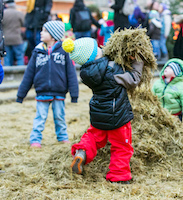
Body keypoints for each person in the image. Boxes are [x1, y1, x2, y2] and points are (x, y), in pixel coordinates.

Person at [62, 29, 150, 183]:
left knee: (94, 137)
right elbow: (134, 79)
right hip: (118, 116)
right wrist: (138, 60)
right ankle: (119, 176)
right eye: (98, 48)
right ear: (96, 54)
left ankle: (81, 152)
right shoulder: (113, 70)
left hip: (98, 113)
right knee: (122, 146)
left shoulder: (87, 73)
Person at [16, 21, 79, 148]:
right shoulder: (37, 51)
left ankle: (62, 137)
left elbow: (71, 73)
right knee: (40, 118)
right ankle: (35, 139)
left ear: (53, 35)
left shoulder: (64, 52)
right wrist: (20, 95)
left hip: (59, 92)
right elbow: (29, 74)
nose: (41, 32)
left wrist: (74, 94)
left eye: (44, 31)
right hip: (42, 92)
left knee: (60, 117)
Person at [152, 58, 183, 126]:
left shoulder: (182, 88)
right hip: (159, 116)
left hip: (175, 117)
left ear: (175, 74)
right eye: (167, 66)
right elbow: (151, 97)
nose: (167, 68)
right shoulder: (157, 84)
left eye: (170, 68)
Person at [3, 0, 25, 66]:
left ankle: (7, 75)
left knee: (7, 58)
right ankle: (21, 73)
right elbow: (24, 24)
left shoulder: (3, 13)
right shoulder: (19, 13)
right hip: (17, 38)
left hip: (6, 39)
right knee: (19, 57)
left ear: (6, 5)